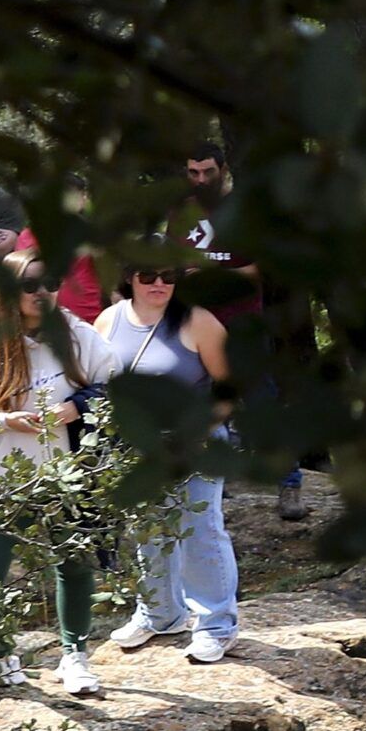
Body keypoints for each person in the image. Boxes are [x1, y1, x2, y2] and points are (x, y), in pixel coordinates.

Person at [0, 255, 110, 697]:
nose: (43, 292)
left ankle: (75, 655)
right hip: (1, 481)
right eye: (31, 283)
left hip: (66, 478)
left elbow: (118, 386)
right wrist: (4, 421)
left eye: (51, 281)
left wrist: (76, 407)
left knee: (73, 564)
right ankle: (0, 656)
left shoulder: (78, 335)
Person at [96, 262, 243, 664]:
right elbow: (97, 378)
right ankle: (160, 615)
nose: (159, 283)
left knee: (200, 530)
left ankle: (216, 625)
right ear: (129, 277)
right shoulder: (109, 319)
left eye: (169, 276)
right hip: (138, 447)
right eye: (148, 275)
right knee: (148, 531)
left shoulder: (198, 320)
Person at [177, 139, 308, 526]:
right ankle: (213, 481)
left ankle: (290, 482)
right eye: (193, 172)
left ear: (223, 170)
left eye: (208, 172)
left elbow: (254, 274)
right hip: (195, 325)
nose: (201, 179)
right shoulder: (181, 213)